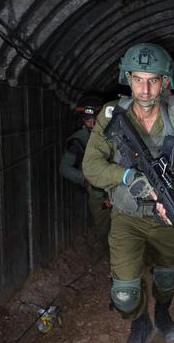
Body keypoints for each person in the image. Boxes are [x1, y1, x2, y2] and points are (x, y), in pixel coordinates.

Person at [82, 43, 174, 343]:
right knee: (125, 294)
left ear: (165, 82)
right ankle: (139, 320)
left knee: (165, 279)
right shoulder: (112, 114)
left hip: (165, 218)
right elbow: (91, 166)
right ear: (128, 78)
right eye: (138, 79)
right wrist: (125, 175)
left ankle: (162, 312)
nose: (146, 89)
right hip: (126, 217)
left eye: (153, 80)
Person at [59, 95, 111, 243]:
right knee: (104, 232)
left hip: (120, 191)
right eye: (89, 120)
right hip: (97, 194)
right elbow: (64, 168)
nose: (93, 124)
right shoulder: (78, 140)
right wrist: (85, 178)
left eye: (96, 120)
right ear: (83, 119)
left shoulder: (114, 134)